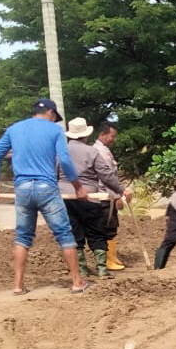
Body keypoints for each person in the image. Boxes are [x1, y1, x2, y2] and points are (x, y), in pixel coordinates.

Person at [0, 98, 90, 295]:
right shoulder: (54, 131)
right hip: (46, 188)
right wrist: (78, 186)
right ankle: (77, 282)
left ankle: (17, 286)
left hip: (22, 188)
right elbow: (65, 160)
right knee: (64, 234)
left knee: (23, 237)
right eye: (54, 117)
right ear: (51, 113)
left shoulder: (14, 129)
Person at [58, 117, 127, 279]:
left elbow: (53, 174)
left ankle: (81, 269)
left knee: (75, 232)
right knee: (96, 231)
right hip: (90, 196)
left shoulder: (60, 152)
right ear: (86, 135)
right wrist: (121, 190)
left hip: (65, 197)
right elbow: (106, 175)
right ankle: (102, 269)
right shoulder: (92, 152)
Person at [92, 122, 131, 272]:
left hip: (109, 194)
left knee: (112, 226)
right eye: (111, 136)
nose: (113, 139)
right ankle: (107, 260)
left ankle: (112, 257)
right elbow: (105, 178)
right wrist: (116, 196)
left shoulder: (105, 150)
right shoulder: (99, 152)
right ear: (103, 134)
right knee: (107, 227)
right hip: (104, 196)